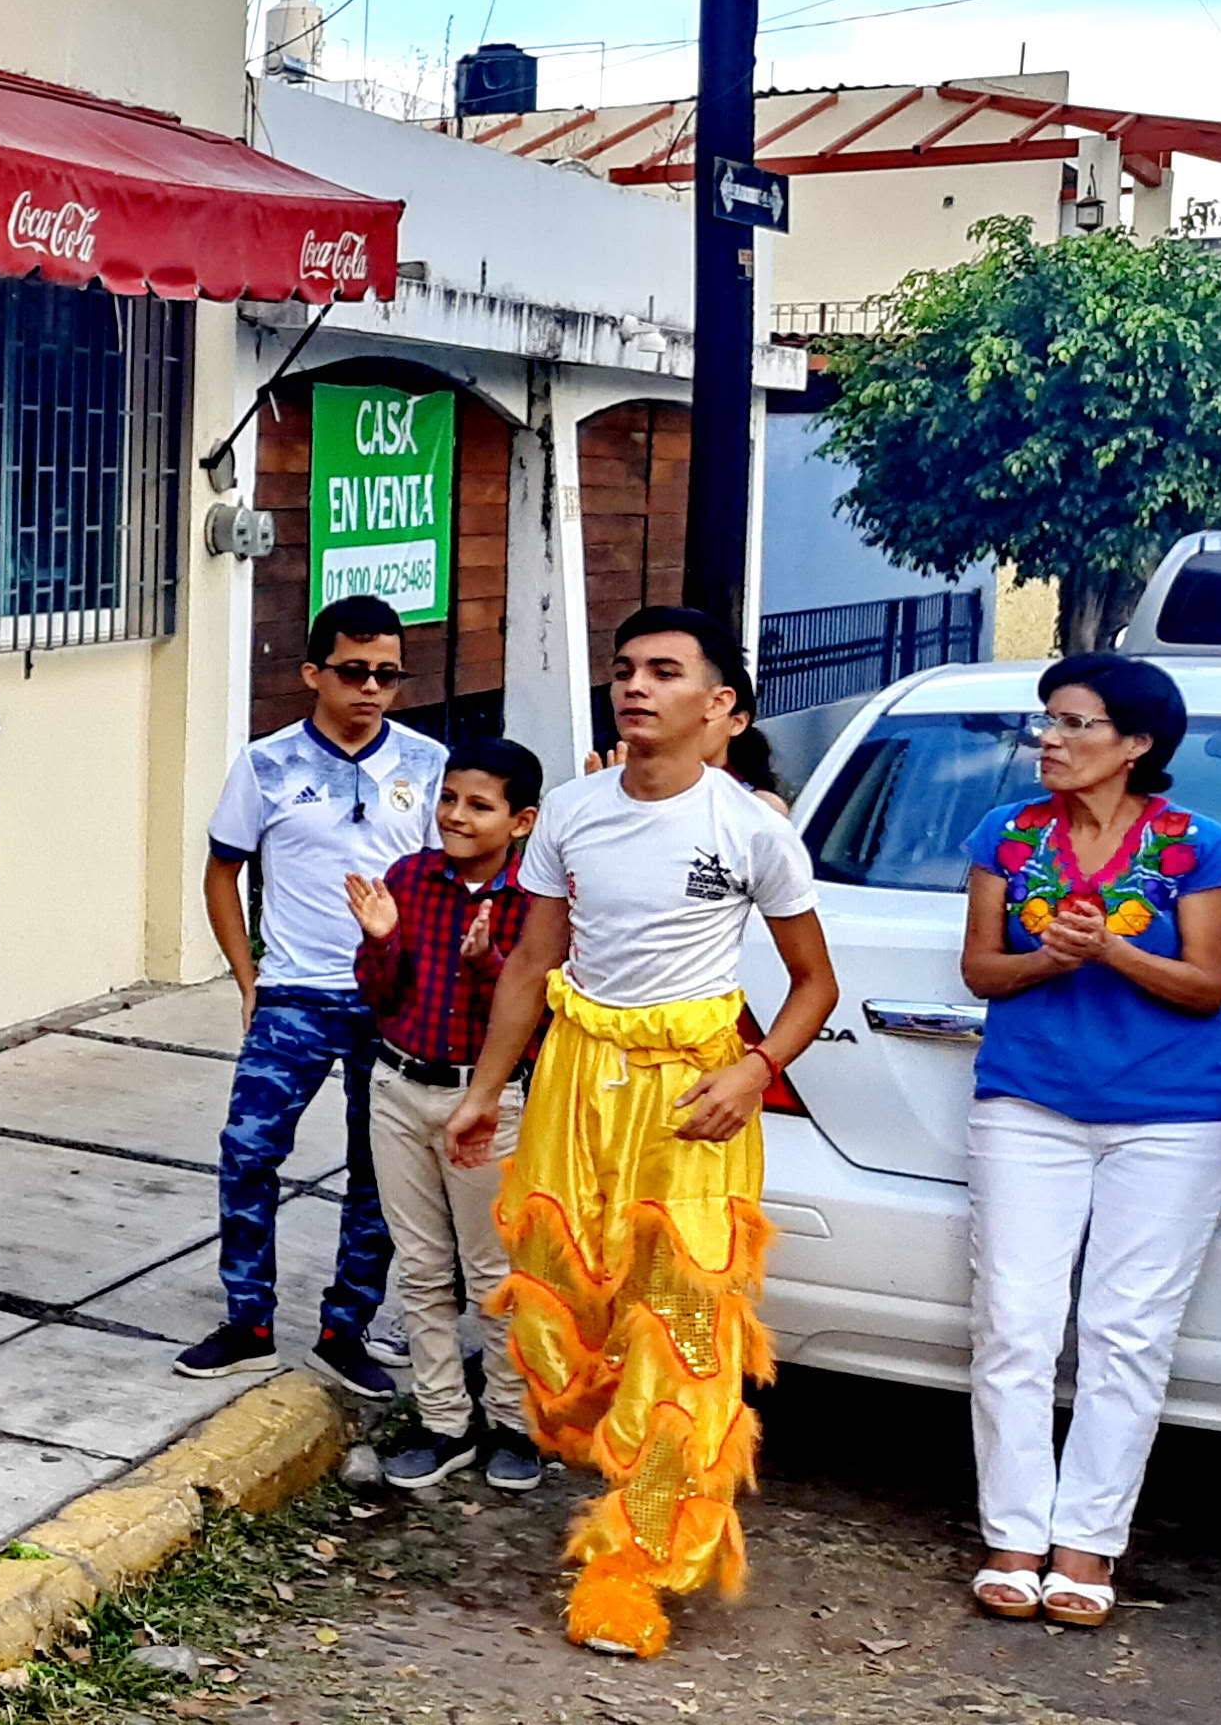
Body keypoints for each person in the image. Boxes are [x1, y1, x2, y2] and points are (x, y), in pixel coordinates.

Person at [444, 606, 841, 1660]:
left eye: (664, 672)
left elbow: (813, 985)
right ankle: (615, 1474)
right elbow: (531, 963)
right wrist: (487, 1091)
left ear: (716, 705)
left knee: (685, 1335)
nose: (635, 687)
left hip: (691, 1102)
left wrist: (755, 1072)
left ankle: (638, 1567)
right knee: (563, 1318)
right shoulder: (570, 812)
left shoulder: (751, 831)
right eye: (623, 669)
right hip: (576, 1084)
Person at [955, 651, 1221, 1629]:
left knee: (1126, 1337)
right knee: (1014, 1325)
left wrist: (1110, 949)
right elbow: (982, 974)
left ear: (1135, 744)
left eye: (1076, 724)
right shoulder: (1005, 834)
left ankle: (1085, 1549)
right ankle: (1012, 1538)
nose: (1051, 738)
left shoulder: (1198, 847)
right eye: (1048, 720)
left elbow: (1205, 986)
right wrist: (1048, 957)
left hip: (1171, 1120)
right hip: (1027, 1104)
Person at [185, 595, 445, 1394]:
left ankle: (348, 1326)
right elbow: (222, 871)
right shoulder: (267, 764)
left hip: (392, 1000)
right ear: (313, 673)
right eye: (354, 672)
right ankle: (248, 1318)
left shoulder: (428, 764)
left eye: (387, 675)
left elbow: (443, 882)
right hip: (294, 993)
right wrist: (246, 972)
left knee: (381, 1170)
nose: (371, 689)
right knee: (249, 1150)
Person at [342, 736, 547, 1496]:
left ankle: (515, 1422)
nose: (456, 816)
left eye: (479, 805)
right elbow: (384, 998)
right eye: (450, 799)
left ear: (520, 821)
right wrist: (383, 942)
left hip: (487, 1099)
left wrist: (489, 964)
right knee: (423, 1268)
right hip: (398, 1088)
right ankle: (443, 1422)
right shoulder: (411, 878)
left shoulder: (536, 901)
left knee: (496, 1270)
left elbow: (540, 1016)